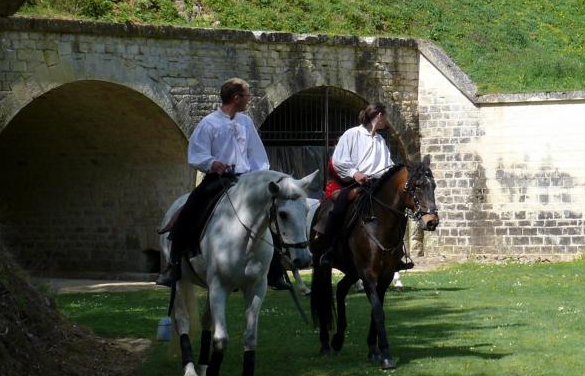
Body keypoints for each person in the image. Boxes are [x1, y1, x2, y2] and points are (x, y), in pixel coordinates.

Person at [156, 78, 283, 288]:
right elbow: (196, 154)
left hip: (246, 180)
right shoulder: (209, 123)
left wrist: (260, 177)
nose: (249, 99)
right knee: (190, 210)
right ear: (236, 97)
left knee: (270, 214)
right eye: (247, 95)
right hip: (218, 179)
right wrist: (212, 163)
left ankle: (275, 271)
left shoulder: (246, 122)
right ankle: (174, 264)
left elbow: (257, 154)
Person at [314, 102, 413, 271]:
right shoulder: (352, 134)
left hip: (378, 185)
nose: (386, 121)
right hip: (355, 183)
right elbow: (338, 160)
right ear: (379, 116)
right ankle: (329, 249)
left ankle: (397, 253)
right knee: (339, 207)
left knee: (399, 211)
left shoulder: (380, 140)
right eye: (385, 117)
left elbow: (388, 165)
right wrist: (355, 173)